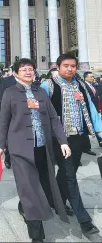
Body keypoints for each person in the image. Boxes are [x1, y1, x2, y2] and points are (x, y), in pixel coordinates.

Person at [0, 58, 71, 243]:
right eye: (24, 69)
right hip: (20, 149)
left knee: (41, 186)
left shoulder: (41, 92)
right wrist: (0, 145)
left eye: (31, 69)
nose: (28, 72)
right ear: (15, 73)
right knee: (29, 188)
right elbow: (3, 121)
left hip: (42, 148)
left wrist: (63, 141)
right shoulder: (10, 93)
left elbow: (54, 118)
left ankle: (25, 207)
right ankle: (36, 233)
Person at [40, 53, 100, 237]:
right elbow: (40, 112)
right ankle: (84, 221)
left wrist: (99, 132)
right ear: (57, 67)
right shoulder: (48, 85)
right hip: (59, 139)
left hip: (79, 137)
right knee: (70, 177)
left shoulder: (80, 84)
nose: (70, 69)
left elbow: (91, 109)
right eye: (66, 65)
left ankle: (55, 201)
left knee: (68, 173)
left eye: (73, 66)